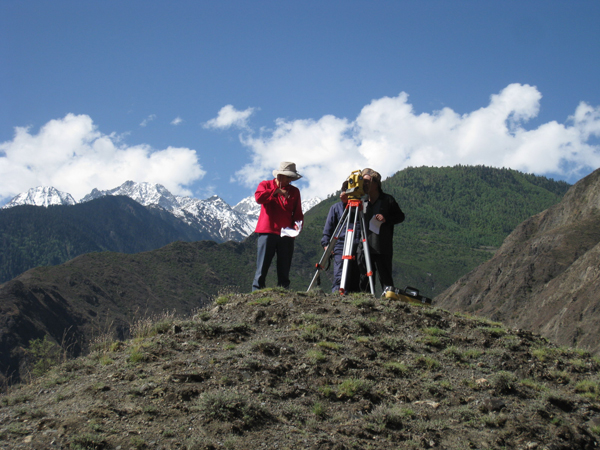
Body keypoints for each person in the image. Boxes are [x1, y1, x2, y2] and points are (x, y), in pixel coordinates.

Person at [252, 161, 304, 291]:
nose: (290, 181)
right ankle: (257, 292)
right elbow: (259, 198)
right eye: (288, 177)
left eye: (291, 178)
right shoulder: (265, 185)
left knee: (284, 266)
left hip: (286, 234)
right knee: (262, 266)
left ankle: (283, 292)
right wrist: (276, 191)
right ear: (280, 176)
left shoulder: (295, 191)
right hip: (267, 231)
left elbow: (297, 213)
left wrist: (297, 224)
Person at [359, 168, 405, 293]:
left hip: (382, 246)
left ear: (376, 183)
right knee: (365, 277)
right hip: (365, 246)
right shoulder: (362, 202)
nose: (365, 184)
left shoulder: (387, 200)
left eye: (368, 181)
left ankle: (389, 299)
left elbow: (400, 217)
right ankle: (366, 300)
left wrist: (386, 219)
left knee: (385, 277)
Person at [321, 181, 361, 293]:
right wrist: (326, 244)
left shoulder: (361, 207)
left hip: (358, 246)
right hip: (340, 245)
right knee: (340, 275)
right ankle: (338, 296)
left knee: (356, 278)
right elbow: (328, 228)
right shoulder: (336, 208)